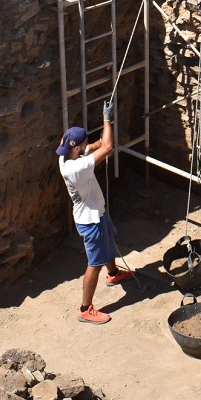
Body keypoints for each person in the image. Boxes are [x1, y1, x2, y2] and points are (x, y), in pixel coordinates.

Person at [56, 98, 134, 324]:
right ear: (77, 147)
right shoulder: (78, 167)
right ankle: (84, 308)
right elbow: (107, 147)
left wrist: (100, 141)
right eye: (83, 146)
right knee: (94, 262)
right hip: (89, 221)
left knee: (108, 241)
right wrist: (107, 120)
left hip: (96, 213)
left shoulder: (66, 156)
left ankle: (114, 274)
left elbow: (95, 147)